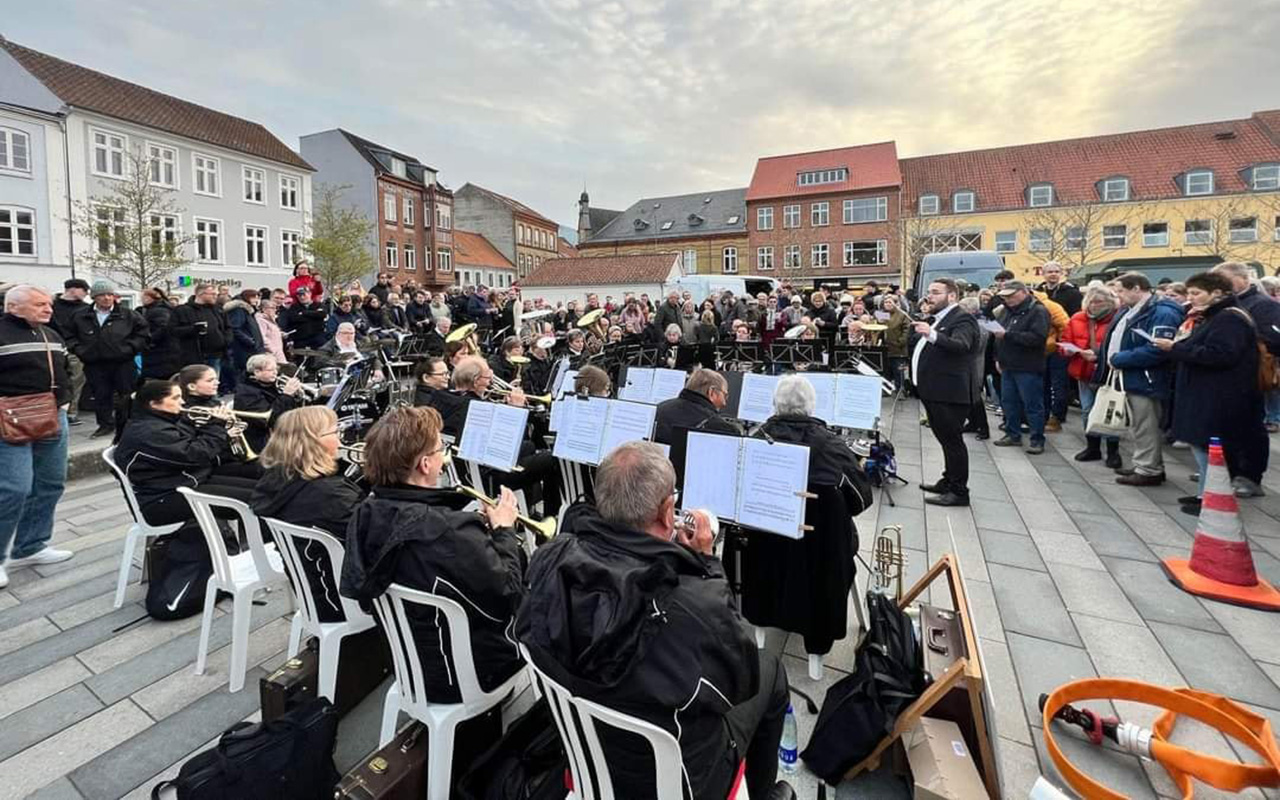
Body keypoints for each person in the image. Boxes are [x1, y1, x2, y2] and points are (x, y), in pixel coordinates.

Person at [516, 442, 791, 800]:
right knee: (769, 671)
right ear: (667, 512)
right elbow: (741, 681)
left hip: (587, 755)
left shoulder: (549, 559)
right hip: (681, 781)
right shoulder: (692, 605)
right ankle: (763, 791)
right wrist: (706, 565)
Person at [339, 406, 526, 704]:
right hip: (467, 673)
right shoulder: (448, 530)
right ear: (425, 464)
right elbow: (509, 592)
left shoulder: (366, 511)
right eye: (441, 449)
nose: (444, 456)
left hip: (409, 660)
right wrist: (503, 530)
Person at [1155, 271, 1265, 513]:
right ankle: (1204, 493)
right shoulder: (1213, 316)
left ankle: (1213, 500)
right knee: (1203, 448)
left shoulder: (1229, 319)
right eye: (1190, 293)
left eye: (1196, 293)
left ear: (1216, 293)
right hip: (1206, 393)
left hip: (1219, 396)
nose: (1191, 298)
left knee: (1213, 452)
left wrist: (1176, 349)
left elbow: (1221, 354)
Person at [252, 406, 364, 621]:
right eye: (335, 431)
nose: (341, 438)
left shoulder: (278, 478)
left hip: (312, 590)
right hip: (343, 600)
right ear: (313, 442)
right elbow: (373, 536)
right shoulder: (329, 494)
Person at [0, 285, 74, 587]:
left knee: (50, 482)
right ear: (13, 307)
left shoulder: (51, 335)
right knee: (14, 488)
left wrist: (66, 400)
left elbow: (66, 369)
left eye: (49, 304)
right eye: (39, 304)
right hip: (9, 419)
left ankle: (31, 546)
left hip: (52, 416)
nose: (48, 309)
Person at [1098, 273, 1184, 485]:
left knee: (1147, 423)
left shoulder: (1162, 312)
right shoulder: (1129, 310)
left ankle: (1149, 469)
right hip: (1129, 375)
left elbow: (1158, 349)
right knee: (1138, 424)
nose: (1117, 296)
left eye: (1120, 291)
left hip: (1146, 377)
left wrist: (1120, 358)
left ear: (1136, 288)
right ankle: (1146, 463)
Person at [1210, 261, 1279, 495]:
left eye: (1225, 280)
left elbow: (1273, 339)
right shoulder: (1224, 304)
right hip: (1223, 376)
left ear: (1243, 279)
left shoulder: (1263, 305)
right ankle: (1228, 469)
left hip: (1248, 376)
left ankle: (1250, 476)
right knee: (1225, 426)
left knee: (1250, 427)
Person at [911, 279, 982, 506]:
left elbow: (961, 345)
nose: (929, 296)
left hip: (950, 392)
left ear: (951, 296)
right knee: (944, 439)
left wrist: (931, 334)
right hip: (934, 390)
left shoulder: (963, 318)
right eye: (929, 292)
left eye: (935, 293)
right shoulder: (939, 318)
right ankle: (948, 480)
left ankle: (959, 491)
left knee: (953, 442)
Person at [66, 281, 149, 438]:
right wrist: (79, 350)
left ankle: (129, 424)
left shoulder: (128, 314)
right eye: (102, 295)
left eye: (110, 295)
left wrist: (130, 348)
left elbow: (143, 334)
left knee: (127, 394)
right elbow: (69, 335)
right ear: (94, 298)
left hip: (123, 362)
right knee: (101, 395)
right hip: (94, 363)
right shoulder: (81, 316)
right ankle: (105, 425)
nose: (107, 298)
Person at [1061, 285, 1120, 467]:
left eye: (1099, 302)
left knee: (1110, 412)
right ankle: (1092, 447)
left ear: (1109, 303)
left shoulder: (1116, 319)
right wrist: (1067, 350)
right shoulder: (1078, 318)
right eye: (1091, 301)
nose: (1094, 306)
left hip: (1108, 373)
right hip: (1084, 370)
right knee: (1087, 409)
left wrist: (1098, 355)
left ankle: (1113, 451)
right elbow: (1065, 341)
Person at [991, 281, 1050, 454]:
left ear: (1024, 292)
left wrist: (1008, 335)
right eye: (1005, 296)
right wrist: (997, 358)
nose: (1008, 299)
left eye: (1011, 295)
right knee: (1009, 402)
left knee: (1032, 404)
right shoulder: (1006, 311)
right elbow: (998, 337)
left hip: (1028, 366)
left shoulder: (1038, 311)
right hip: (1008, 364)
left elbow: (1037, 338)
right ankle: (1012, 434)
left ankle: (1037, 439)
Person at [233, 354, 305, 454]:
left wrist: (296, 397)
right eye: (271, 370)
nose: (275, 373)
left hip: (281, 431)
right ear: (257, 372)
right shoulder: (246, 393)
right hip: (262, 439)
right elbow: (269, 419)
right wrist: (286, 395)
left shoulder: (271, 384)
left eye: (276, 369)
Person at [49, 278, 89, 426]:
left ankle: (71, 412)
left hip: (75, 350)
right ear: (73, 289)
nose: (86, 294)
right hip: (53, 349)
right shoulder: (51, 305)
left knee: (75, 380)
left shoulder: (85, 308)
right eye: (84, 291)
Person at [171, 283, 230, 378]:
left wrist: (226, 340)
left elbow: (227, 327)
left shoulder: (218, 310)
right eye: (213, 294)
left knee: (212, 382)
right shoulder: (182, 310)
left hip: (215, 354)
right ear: (201, 294)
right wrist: (193, 329)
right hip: (192, 355)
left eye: (216, 294)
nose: (216, 297)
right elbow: (172, 331)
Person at [223, 289, 264, 394]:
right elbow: (235, 328)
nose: (257, 300)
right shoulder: (239, 310)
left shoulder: (248, 310)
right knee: (242, 373)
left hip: (248, 348)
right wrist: (250, 341)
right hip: (243, 349)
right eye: (255, 297)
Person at [139, 287, 183, 380]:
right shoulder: (159, 309)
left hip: (161, 352)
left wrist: (150, 340)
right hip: (164, 352)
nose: (141, 299)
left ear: (149, 298)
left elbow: (163, 328)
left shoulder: (158, 310)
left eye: (142, 297)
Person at [281, 286, 327, 350]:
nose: (302, 297)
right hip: (300, 339)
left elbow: (322, 314)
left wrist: (304, 313)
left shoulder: (318, 305)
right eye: (299, 295)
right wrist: (314, 316)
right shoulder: (294, 307)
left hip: (317, 339)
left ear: (310, 294)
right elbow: (294, 318)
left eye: (304, 294)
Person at [256, 299, 287, 364]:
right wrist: (272, 349)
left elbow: (270, 333)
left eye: (275, 308)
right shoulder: (261, 320)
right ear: (264, 309)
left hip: (278, 351)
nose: (275, 310)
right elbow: (261, 336)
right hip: (270, 353)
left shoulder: (271, 320)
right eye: (272, 308)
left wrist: (280, 334)